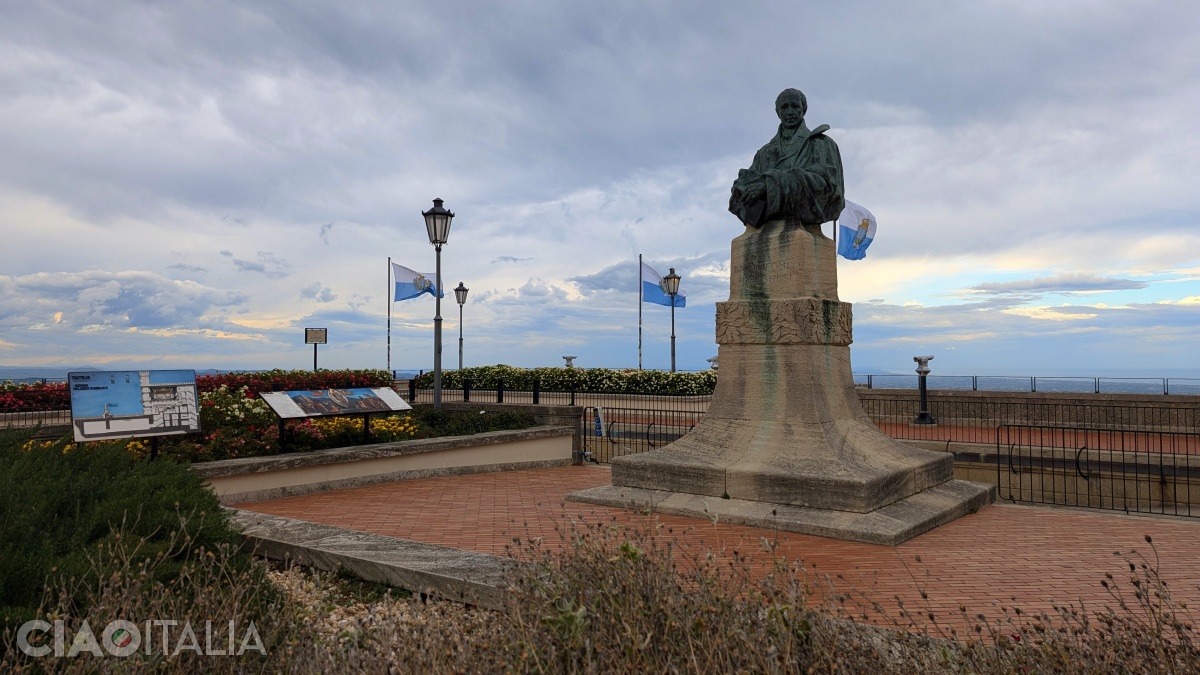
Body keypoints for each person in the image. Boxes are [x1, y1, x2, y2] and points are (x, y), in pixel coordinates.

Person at [729, 88, 845, 228]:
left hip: (803, 228)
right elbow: (742, 187)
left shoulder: (821, 143)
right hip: (766, 230)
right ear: (778, 112)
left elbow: (828, 187)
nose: (790, 112)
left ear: (803, 109)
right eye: (784, 107)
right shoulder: (764, 153)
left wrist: (769, 186)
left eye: (795, 106)